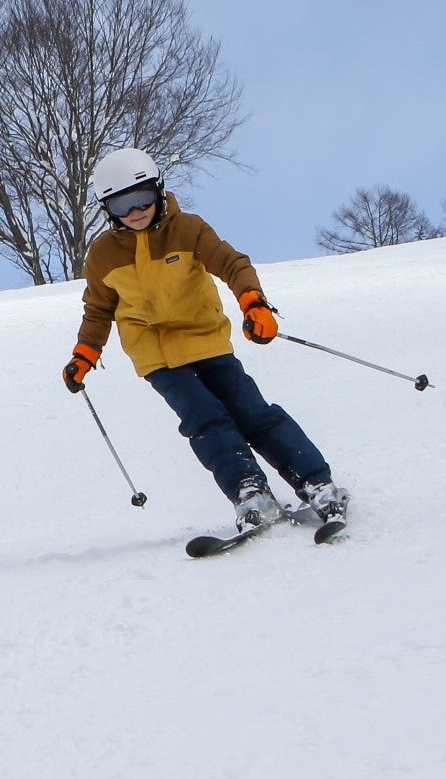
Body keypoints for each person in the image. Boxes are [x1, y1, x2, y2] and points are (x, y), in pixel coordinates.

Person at [62, 147, 348, 538]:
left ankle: (316, 483)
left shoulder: (188, 229)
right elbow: (98, 310)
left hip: (206, 340)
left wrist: (253, 303)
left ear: (158, 189)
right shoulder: (102, 255)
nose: (135, 211)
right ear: (107, 209)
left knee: (252, 413)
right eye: (121, 205)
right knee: (205, 419)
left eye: (142, 198)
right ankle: (250, 493)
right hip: (157, 356)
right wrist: (85, 354)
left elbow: (232, 263)